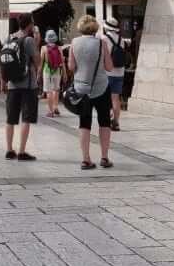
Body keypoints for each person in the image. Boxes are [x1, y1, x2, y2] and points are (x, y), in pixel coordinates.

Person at [69, 15, 115, 170]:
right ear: (95, 27)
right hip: (101, 88)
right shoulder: (101, 43)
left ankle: (86, 159)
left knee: (84, 123)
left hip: (82, 90)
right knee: (104, 122)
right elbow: (109, 67)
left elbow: (70, 66)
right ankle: (104, 157)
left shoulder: (74, 43)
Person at [0, 12, 40, 161]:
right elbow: (37, 61)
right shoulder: (28, 40)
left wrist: (3, 81)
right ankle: (22, 151)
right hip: (28, 85)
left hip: (12, 84)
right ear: (30, 24)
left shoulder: (9, 38)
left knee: (10, 119)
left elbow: (3, 61)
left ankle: (9, 150)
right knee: (26, 118)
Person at [102, 17, 127, 131]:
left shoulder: (104, 38)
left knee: (106, 98)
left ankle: (106, 121)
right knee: (116, 98)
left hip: (108, 72)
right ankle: (116, 122)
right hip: (120, 72)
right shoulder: (122, 39)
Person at [41, 30, 64, 118]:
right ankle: (55, 107)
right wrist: (64, 73)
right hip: (57, 71)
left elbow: (41, 62)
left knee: (48, 91)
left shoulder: (44, 48)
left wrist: (38, 73)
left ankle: (50, 111)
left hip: (47, 71)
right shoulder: (59, 48)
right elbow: (62, 61)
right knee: (56, 89)